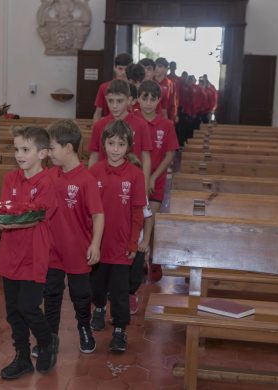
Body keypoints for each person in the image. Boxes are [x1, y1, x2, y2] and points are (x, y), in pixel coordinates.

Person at [0, 126, 59, 379]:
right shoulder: (10, 179)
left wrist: (7, 221)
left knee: (28, 306)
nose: (19, 155)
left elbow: (36, 216)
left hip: (34, 254)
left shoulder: (48, 182)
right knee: (13, 311)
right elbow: (4, 209)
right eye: (16, 149)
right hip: (9, 253)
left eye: (25, 149)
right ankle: (22, 356)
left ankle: (47, 341)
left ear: (42, 153)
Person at [40, 119, 104, 355]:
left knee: (81, 295)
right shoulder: (50, 175)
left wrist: (95, 244)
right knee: (51, 293)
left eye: (52, 148)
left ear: (68, 148)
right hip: (53, 249)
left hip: (78, 248)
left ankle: (84, 328)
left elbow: (98, 215)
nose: (49, 153)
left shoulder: (86, 179)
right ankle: (49, 337)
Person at [89, 120, 147, 352]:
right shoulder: (94, 172)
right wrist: (89, 241)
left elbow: (137, 212)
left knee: (121, 292)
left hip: (122, 245)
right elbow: (88, 211)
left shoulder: (135, 175)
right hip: (98, 244)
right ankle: (100, 308)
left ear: (128, 146)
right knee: (97, 285)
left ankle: (120, 330)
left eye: (120, 144)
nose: (115, 149)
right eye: (111, 143)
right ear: (104, 144)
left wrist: (134, 241)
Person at [136, 80, 179, 282]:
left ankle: (152, 259)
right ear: (138, 99)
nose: (148, 103)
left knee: (151, 216)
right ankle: (137, 257)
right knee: (135, 218)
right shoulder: (132, 121)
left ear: (158, 101)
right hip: (134, 177)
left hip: (157, 178)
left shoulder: (166, 124)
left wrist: (152, 176)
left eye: (153, 99)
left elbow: (170, 155)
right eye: (144, 98)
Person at [88, 79, 152, 190]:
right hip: (103, 184)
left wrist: (144, 185)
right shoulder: (99, 125)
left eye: (119, 101)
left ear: (129, 100)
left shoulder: (141, 125)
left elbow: (146, 157)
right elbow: (94, 156)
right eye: (110, 101)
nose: (114, 106)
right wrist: (90, 185)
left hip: (131, 183)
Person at [92, 53, 133, 123]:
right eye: (120, 68)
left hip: (132, 126)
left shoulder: (135, 88)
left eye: (126, 69)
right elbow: (98, 113)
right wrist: (95, 131)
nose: (123, 72)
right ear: (115, 68)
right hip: (109, 127)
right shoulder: (104, 87)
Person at [155, 57, 177, 122]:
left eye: (159, 66)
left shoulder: (170, 84)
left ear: (166, 69)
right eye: (155, 66)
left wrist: (172, 118)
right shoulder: (150, 81)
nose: (156, 68)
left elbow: (173, 103)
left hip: (165, 118)